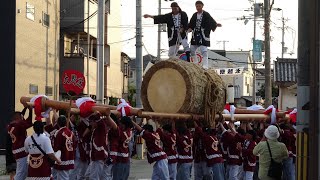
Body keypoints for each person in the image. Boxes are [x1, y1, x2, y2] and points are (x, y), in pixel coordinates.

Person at [187, 1, 222, 69]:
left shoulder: (206, 14)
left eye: (199, 6)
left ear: (202, 6)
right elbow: (191, 24)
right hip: (195, 35)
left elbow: (211, 21)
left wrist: (216, 24)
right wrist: (188, 29)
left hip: (203, 35)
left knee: (203, 50)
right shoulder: (194, 15)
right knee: (192, 49)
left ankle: (205, 65)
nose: (198, 7)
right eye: (197, 6)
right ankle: (195, 62)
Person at [85, 113, 117, 180]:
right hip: (95, 157)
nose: (90, 124)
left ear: (95, 121)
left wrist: (97, 112)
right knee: (87, 176)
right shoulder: (96, 130)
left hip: (100, 156)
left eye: (91, 122)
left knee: (96, 177)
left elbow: (99, 118)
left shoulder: (101, 127)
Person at [7, 106, 32, 180]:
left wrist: (25, 108)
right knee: (21, 174)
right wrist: (30, 111)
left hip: (16, 151)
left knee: (22, 173)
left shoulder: (10, 126)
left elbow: (20, 118)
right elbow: (29, 122)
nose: (22, 118)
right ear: (19, 118)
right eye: (22, 117)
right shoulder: (19, 125)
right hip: (21, 152)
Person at [109, 116, 133, 180]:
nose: (119, 124)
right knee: (124, 177)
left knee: (117, 177)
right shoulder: (130, 132)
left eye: (121, 122)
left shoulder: (120, 132)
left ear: (124, 124)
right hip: (126, 158)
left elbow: (116, 129)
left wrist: (108, 116)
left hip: (119, 159)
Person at [53, 115, 77, 180]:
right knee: (65, 176)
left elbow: (56, 147)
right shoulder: (71, 132)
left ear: (58, 123)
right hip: (70, 157)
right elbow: (74, 145)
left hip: (62, 158)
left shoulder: (59, 133)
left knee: (63, 178)